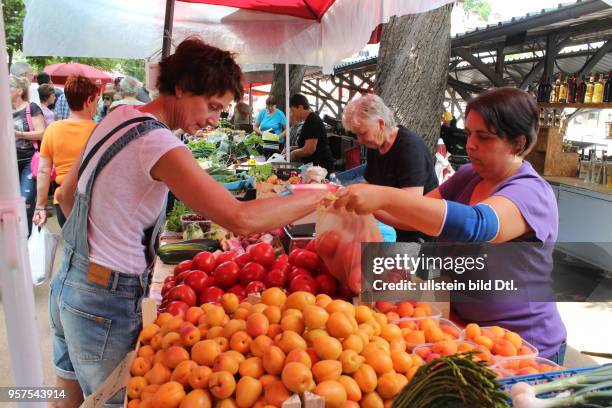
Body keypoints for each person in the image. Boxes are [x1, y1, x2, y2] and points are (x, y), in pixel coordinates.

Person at [50, 37, 326, 406]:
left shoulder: (116, 117)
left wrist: (93, 252)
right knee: (111, 401)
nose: (214, 118)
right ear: (180, 88)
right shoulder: (157, 141)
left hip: (68, 283)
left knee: (63, 393)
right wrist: (320, 196)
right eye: (212, 106)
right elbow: (240, 218)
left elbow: (64, 197)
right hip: (105, 301)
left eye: (222, 110)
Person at [333, 87, 566, 363]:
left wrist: (383, 195)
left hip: (524, 347)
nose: (470, 145)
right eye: (469, 134)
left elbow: (477, 225)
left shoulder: (531, 192)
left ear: (517, 143)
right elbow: (415, 215)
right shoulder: (469, 176)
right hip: (469, 336)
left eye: (484, 137)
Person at [342, 94, 438, 242]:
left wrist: (369, 207)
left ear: (380, 123)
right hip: (393, 232)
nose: (359, 140)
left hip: (418, 239)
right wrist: (346, 192)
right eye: (356, 135)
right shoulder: (375, 145)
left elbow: (412, 211)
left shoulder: (410, 149)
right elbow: (368, 185)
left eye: (362, 133)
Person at [33, 76, 99, 229]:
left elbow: (43, 171)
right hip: (92, 201)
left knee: (71, 247)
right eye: (97, 99)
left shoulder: (53, 129)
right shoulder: (100, 130)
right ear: (89, 100)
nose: (98, 103)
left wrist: (40, 206)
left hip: (63, 202)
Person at [10, 75, 46, 236]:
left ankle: (26, 237)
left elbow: (42, 133)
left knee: (26, 199)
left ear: (19, 91)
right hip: (7, 163)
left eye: (8, 87)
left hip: (28, 162)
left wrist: (19, 134)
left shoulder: (31, 108)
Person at [289, 93, 334, 172]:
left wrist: (294, 153)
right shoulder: (308, 120)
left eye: (293, 111)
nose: (293, 114)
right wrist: (292, 148)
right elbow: (304, 145)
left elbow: (309, 149)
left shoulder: (312, 121)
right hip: (314, 167)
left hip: (320, 167)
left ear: (300, 107)